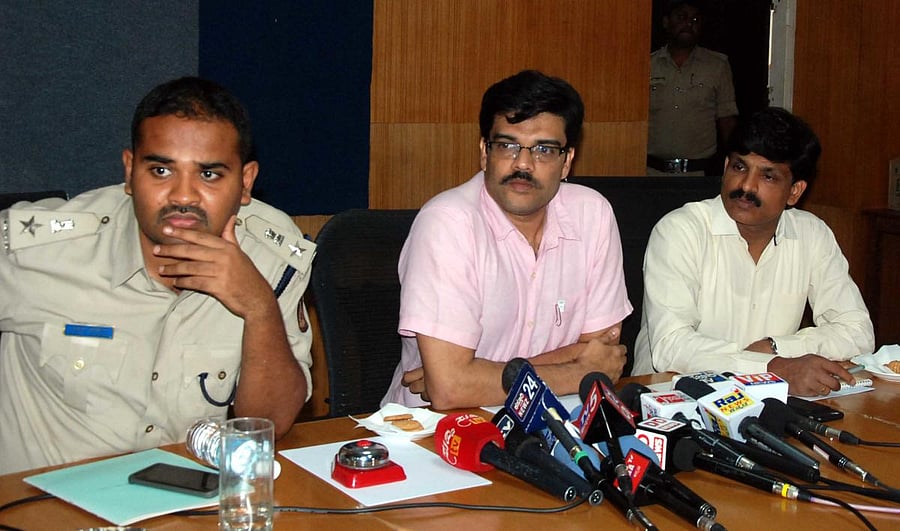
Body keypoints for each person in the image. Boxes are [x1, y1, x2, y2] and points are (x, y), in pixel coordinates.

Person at [0, 77, 316, 474]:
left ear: (246, 182)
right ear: (130, 172)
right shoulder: (39, 251)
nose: (183, 196)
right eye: (162, 170)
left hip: (184, 507)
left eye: (209, 175)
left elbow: (271, 424)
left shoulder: (272, 254)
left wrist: (258, 306)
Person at [382, 70, 632, 409]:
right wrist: (576, 372)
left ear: (566, 161)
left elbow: (604, 352)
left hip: (556, 418)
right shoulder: (448, 223)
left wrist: (470, 376)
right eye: (508, 145)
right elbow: (451, 392)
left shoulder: (593, 215)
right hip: (440, 433)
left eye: (544, 149)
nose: (523, 164)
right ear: (485, 152)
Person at [633, 107, 875, 397]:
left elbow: (858, 332)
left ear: (795, 192)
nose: (746, 185)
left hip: (768, 404)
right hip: (673, 405)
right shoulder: (679, 231)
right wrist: (772, 366)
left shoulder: (812, 234)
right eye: (739, 167)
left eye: (768, 176)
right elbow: (671, 347)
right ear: (725, 167)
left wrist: (777, 347)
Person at [647, 0, 738, 176]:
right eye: (682, 17)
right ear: (666, 22)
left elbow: (727, 119)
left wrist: (735, 164)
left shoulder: (717, 65)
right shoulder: (647, 65)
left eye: (695, 19)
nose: (689, 23)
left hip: (699, 174)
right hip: (651, 173)